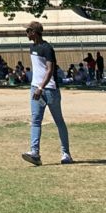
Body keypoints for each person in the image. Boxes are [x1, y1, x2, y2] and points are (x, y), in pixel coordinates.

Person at [21, 21, 72, 166]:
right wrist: (36, 87)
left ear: (34, 32)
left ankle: (66, 153)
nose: (26, 34)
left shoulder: (47, 48)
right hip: (35, 89)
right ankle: (35, 153)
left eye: (27, 31)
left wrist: (40, 88)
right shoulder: (32, 48)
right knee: (36, 121)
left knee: (59, 121)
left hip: (49, 90)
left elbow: (50, 70)